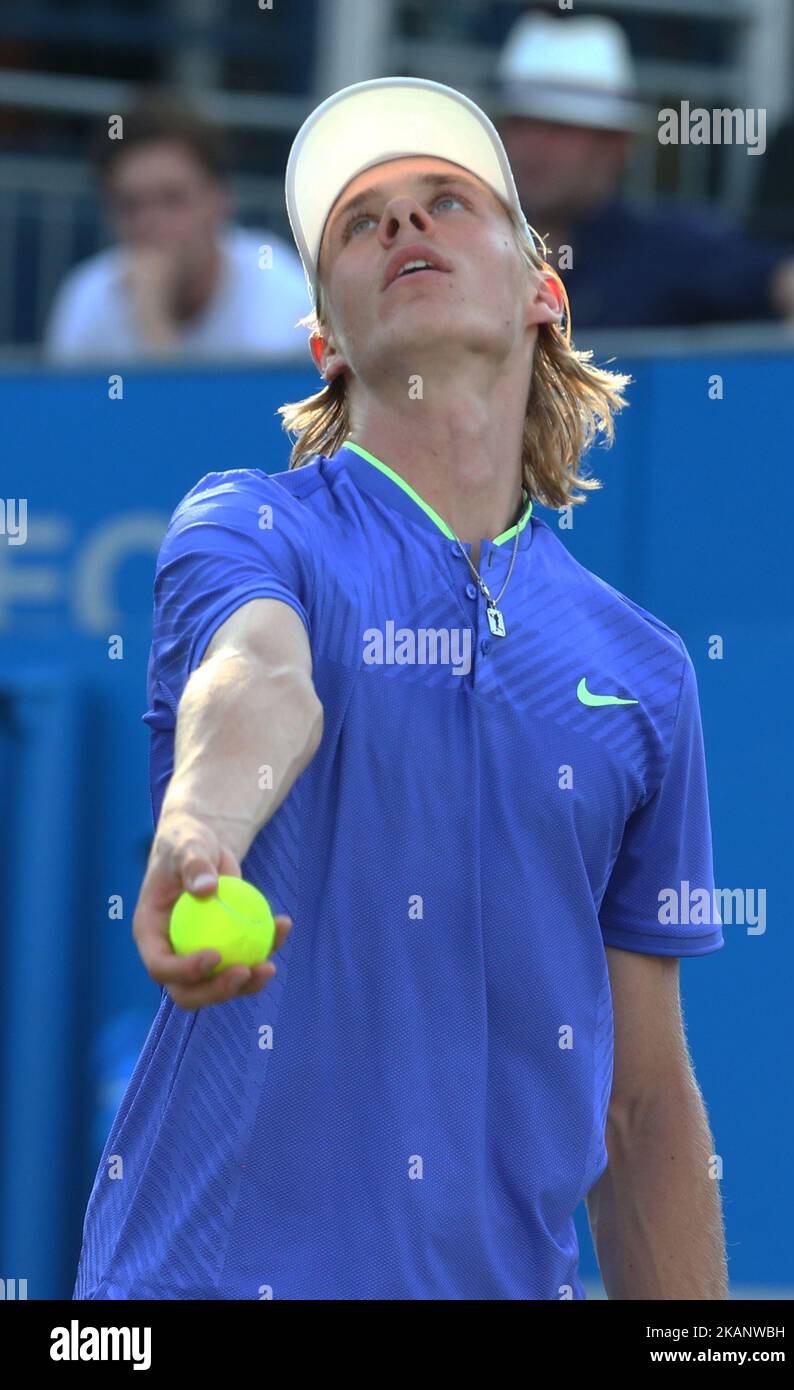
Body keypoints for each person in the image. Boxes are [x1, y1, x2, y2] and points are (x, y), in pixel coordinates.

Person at [72, 76, 728, 1301]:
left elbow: (639, 1106)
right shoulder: (248, 527)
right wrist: (203, 824)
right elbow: (259, 677)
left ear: (543, 290)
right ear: (327, 340)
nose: (401, 228)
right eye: (360, 224)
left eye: (445, 202)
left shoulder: (643, 672)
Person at [495, 12, 794, 330]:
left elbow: (778, 275)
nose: (532, 147)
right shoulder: (467, 243)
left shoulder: (665, 249)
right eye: (520, 124)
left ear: (616, 147)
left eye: (559, 128)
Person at [44, 96, 311, 361]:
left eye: (173, 200)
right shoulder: (88, 296)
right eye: (130, 205)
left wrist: (154, 327)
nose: (150, 224)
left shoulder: (280, 294)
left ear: (220, 200)